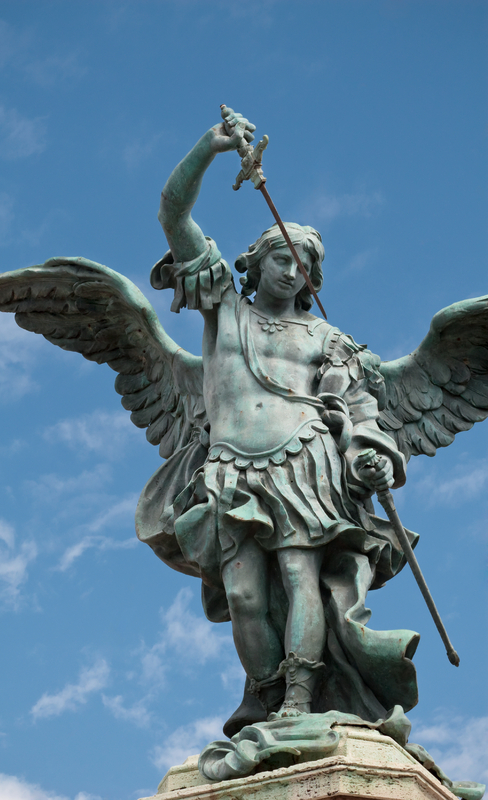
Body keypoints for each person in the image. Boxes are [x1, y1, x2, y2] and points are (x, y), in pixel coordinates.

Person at [146, 109, 419, 736]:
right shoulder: (222, 305)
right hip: (232, 466)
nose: (291, 270)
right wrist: (208, 150)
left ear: (311, 275)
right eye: (281, 257)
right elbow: (172, 213)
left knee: (301, 580)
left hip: (305, 459)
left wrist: (368, 454)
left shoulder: (328, 338)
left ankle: (298, 701)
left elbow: (359, 410)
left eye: (303, 263)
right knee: (244, 596)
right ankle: (268, 700)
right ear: (258, 260)